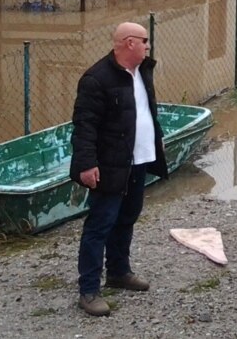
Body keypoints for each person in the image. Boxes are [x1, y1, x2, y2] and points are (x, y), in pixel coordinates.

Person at [69, 22, 168, 317]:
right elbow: (84, 125)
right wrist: (87, 164)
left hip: (139, 159)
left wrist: (156, 139)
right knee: (99, 224)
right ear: (128, 43)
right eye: (144, 41)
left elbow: (146, 110)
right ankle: (88, 290)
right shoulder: (96, 79)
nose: (148, 46)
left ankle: (118, 271)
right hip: (110, 164)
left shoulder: (143, 71)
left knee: (127, 217)